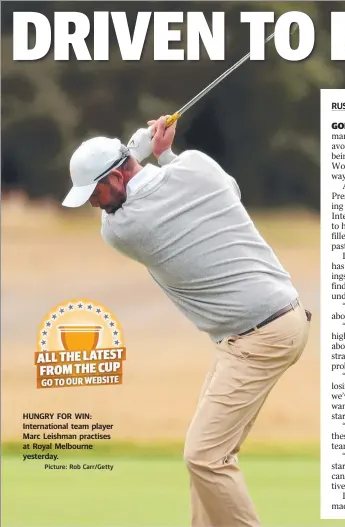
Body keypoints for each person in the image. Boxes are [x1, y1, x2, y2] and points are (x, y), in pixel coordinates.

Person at [62, 116, 312, 527]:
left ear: (117, 178)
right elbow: (221, 190)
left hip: (258, 337)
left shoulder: (123, 229)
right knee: (207, 457)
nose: (93, 202)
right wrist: (162, 154)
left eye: (95, 191)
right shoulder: (197, 166)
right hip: (271, 323)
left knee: (204, 456)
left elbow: (124, 207)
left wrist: (140, 147)